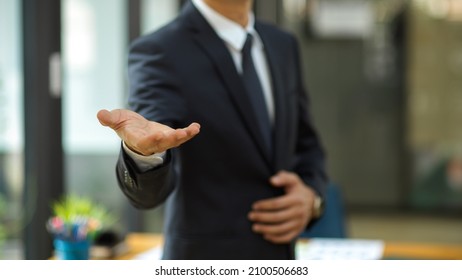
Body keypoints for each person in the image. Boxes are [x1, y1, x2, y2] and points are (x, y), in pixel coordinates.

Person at [97, 0, 328, 259]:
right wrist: (142, 154)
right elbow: (150, 173)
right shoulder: (160, 50)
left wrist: (311, 197)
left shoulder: (282, 44)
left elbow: (306, 144)